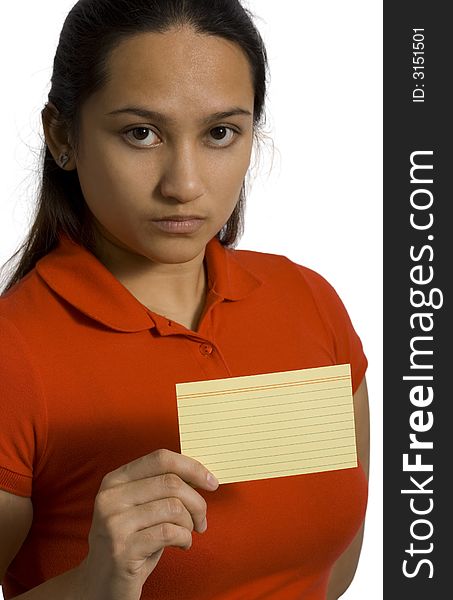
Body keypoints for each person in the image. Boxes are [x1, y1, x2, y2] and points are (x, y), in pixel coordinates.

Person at [0, 1, 370, 598]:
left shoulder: (310, 304)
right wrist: (98, 581)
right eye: (141, 133)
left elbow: (329, 566)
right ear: (62, 135)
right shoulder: (13, 354)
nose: (185, 185)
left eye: (220, 133)